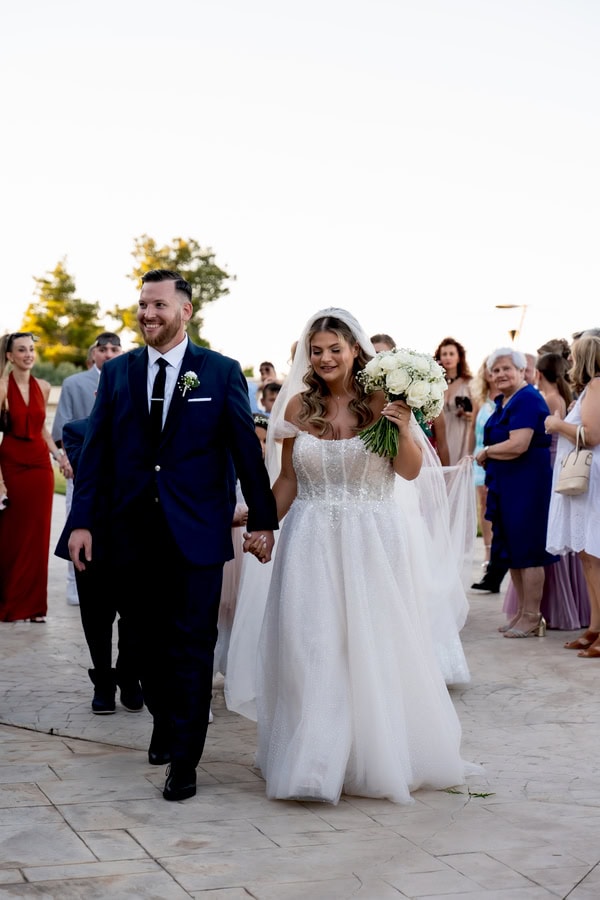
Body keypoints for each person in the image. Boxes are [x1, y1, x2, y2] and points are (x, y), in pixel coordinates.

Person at [229, 308, 475, 805]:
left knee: (370, 644)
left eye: (334, 349)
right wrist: (263, 526)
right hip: (309, 539)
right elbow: (289, 480)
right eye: (316, 350)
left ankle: (372, 756)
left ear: (355, 350)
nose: (324, 358)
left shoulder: (384, 400)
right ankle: (314, 763)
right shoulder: (297, 406)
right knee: (312, 644)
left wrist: (402, 427)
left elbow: (409, 472)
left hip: (373, 539)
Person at [67, 269, 278, 802]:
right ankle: (164, 721)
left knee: (192, 645)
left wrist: (262, 519)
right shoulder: (118, 374)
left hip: (197, 535)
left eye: (158, 305)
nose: (147, 313)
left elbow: (245, 451)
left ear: (185, 311)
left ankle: (185, 759)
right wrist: (82, 522)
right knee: (141, 646)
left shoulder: (220, 371)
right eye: (143, 304)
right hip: (130, 535)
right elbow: (96, 453)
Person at [502, 353, 590, 630]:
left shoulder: (548, 399)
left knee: (539, 547)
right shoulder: (557, 397)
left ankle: (540, 612)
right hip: (551, 465)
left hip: (552, 466)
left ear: (537, 374)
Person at [475, 348, 558, 638]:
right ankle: (522, 613)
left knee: (529, 550)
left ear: (523, 371)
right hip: (508, 484)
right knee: (513, 550)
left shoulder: (527, 399)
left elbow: (519, 444)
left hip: (528, 484)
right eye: (495, 370)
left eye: (507, 368)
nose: (500, 374)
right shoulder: (504, 401)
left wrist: (487, 452)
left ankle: (533, 616)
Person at [0, 332, 71, 622]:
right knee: (12, 536)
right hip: (12, 464)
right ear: (9, 356)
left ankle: (34, 607)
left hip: (40, 466)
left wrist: (60, 456)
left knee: (39, 537)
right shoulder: (2, 387)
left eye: (31, 349)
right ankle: (10, 603)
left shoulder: (43, 386)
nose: (29, 354)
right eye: (22, 350)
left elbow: (42, 429)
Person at [52, 332, 122, 606]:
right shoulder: (74, 382)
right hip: (80, 465)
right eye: (103, 349)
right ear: (93, 353)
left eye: (114, 349)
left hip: (117, 472)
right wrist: (67, 460)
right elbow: (64, 423)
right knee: (77, 522)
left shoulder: (128, 379)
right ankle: (75, 582)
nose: (108, 354)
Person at [546, 334, 600, 655]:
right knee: (586, 555)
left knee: (594, 554)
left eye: (574, 356)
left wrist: (556, 424)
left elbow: (591, 435)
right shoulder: (589, 389)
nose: (570, 361)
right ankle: (594, 627)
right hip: (584, 483)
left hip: (591, 480)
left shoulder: (596, 385)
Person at [434, 337, 476, 465]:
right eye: (444, 354)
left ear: (459, 357)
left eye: (451, 354)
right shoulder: (435, 383)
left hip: (462, 433)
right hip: (440, 434)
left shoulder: (469, 383)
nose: (448, 357)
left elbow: (478, 413)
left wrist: (468, 415)